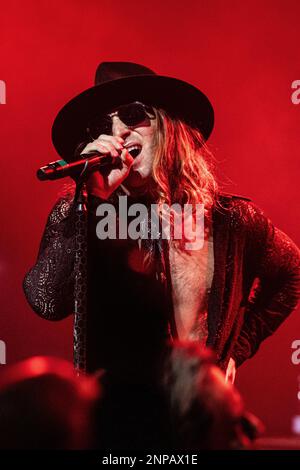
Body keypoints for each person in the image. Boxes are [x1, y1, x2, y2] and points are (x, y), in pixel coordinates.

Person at [23, 61, 300, 386]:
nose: (118, 133)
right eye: (103, 124)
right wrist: (93, 201)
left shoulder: (231, 221)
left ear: (169, 126)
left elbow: (291, 274)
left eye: (131, 115)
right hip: (117, 422)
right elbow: (46, 302)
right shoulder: (82, 212)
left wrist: (239, 348)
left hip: (198, 419)